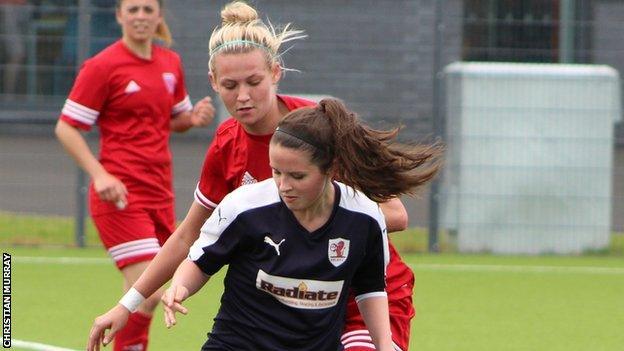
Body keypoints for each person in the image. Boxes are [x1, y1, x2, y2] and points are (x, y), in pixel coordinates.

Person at [87, 2, 438, 350]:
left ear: (275, 72)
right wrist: (127, 304)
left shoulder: (320, 132)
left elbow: (395, 214)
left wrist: (292, 229)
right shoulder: (227, 144)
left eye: (254, 81)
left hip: (363, 292)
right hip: (294, 298)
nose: (242, 96)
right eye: (229, 85)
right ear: (213, 82)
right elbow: (188, 236)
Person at [160, 97, 441, 350]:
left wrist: (383, 345)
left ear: (331, 169)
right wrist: (180, 287)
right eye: (276, 172)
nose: (283, 185)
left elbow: (371, 289)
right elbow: (200, 260)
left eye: (297, 176)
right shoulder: (244, 205)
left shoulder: (364, 217)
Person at [55, 1, 214, 350]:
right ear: (119, 16)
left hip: (160, 192)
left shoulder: (170, 62)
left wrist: (193, 119)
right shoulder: (102, 66)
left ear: (158, 15)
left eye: (147, 9)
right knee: (148, 291)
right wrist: (100, 176)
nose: (140, 16)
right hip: (120, 195)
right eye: (133, 9)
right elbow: (66, 127)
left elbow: (172, 119)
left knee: (142, 291)